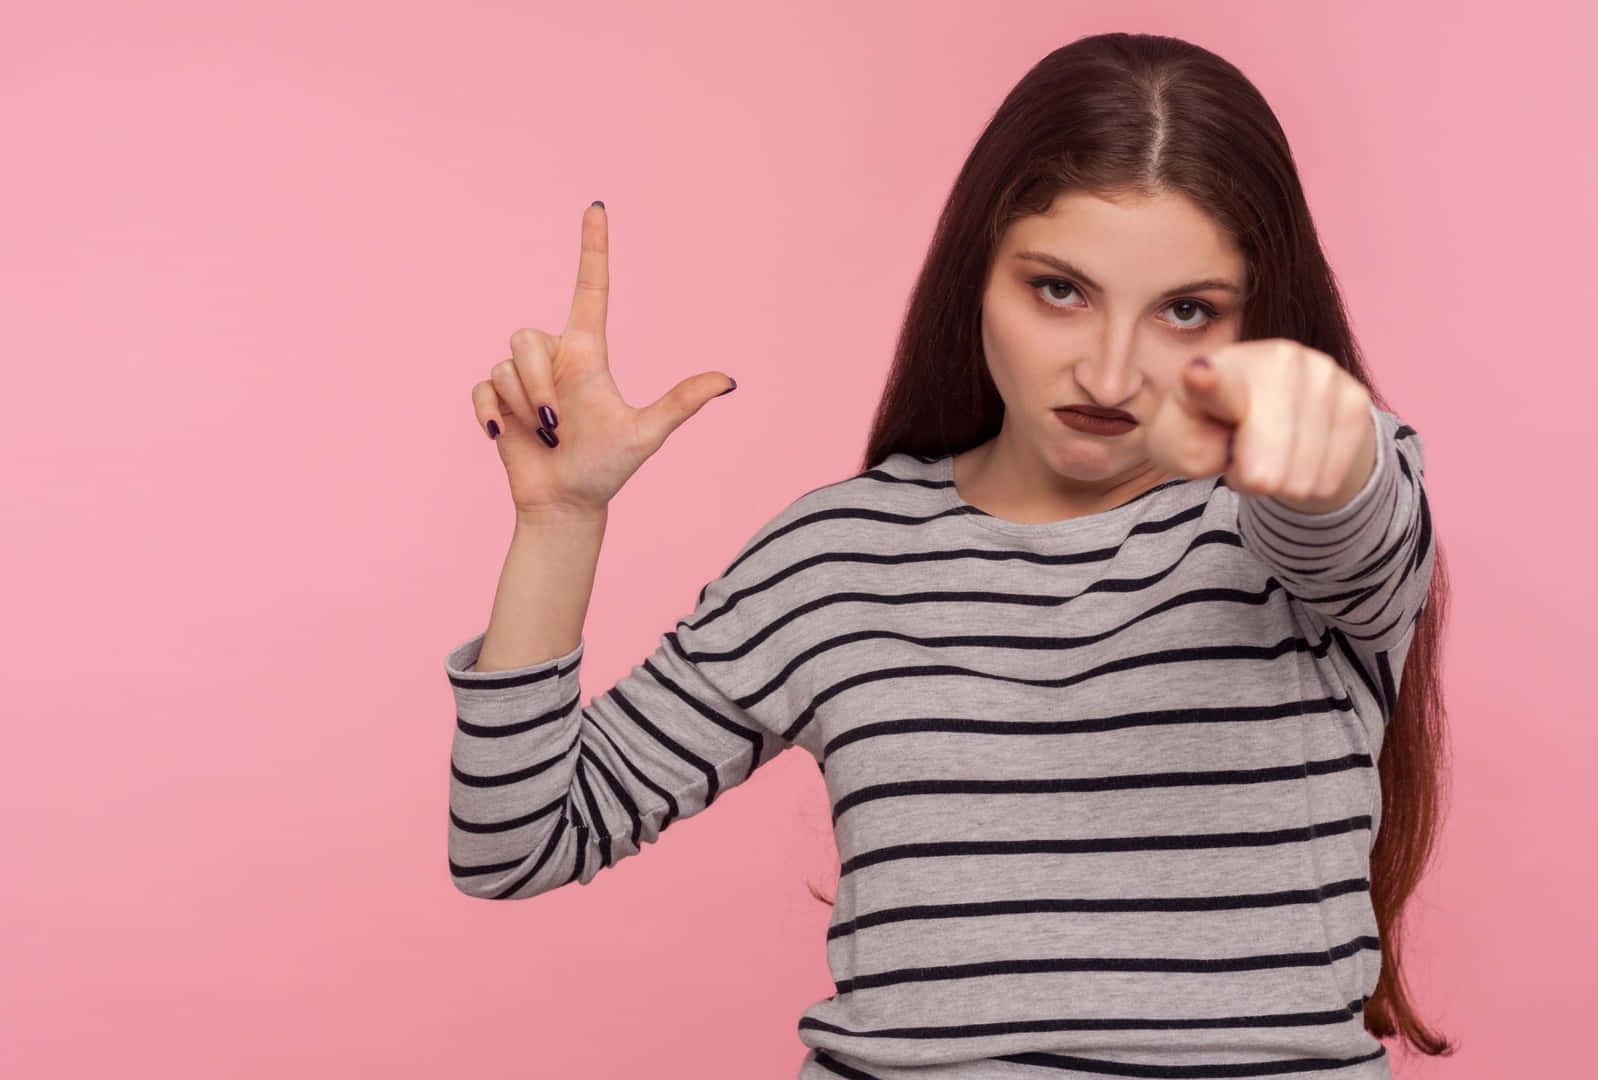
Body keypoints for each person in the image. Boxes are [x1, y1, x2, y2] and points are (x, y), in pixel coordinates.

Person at [445, 31, 1452, 1080]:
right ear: (979, 275)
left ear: (1260, 322)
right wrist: (560, 522)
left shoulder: (1288, 534)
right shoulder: (838, 556)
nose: (1108, 373)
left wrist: (1332, 449)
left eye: (1186, 310)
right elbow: (514, 843)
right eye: (1059, 289)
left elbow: (1350, 507)